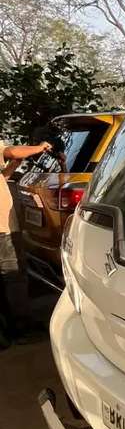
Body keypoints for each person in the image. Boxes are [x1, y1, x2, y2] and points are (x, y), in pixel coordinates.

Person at [0, 137, 53, 346]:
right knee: (13, 275)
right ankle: (22, 330)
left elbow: (3, 175)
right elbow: (11, 151)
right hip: (2, 229)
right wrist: (39, 148)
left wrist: (14, 166)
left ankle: (9, 327)